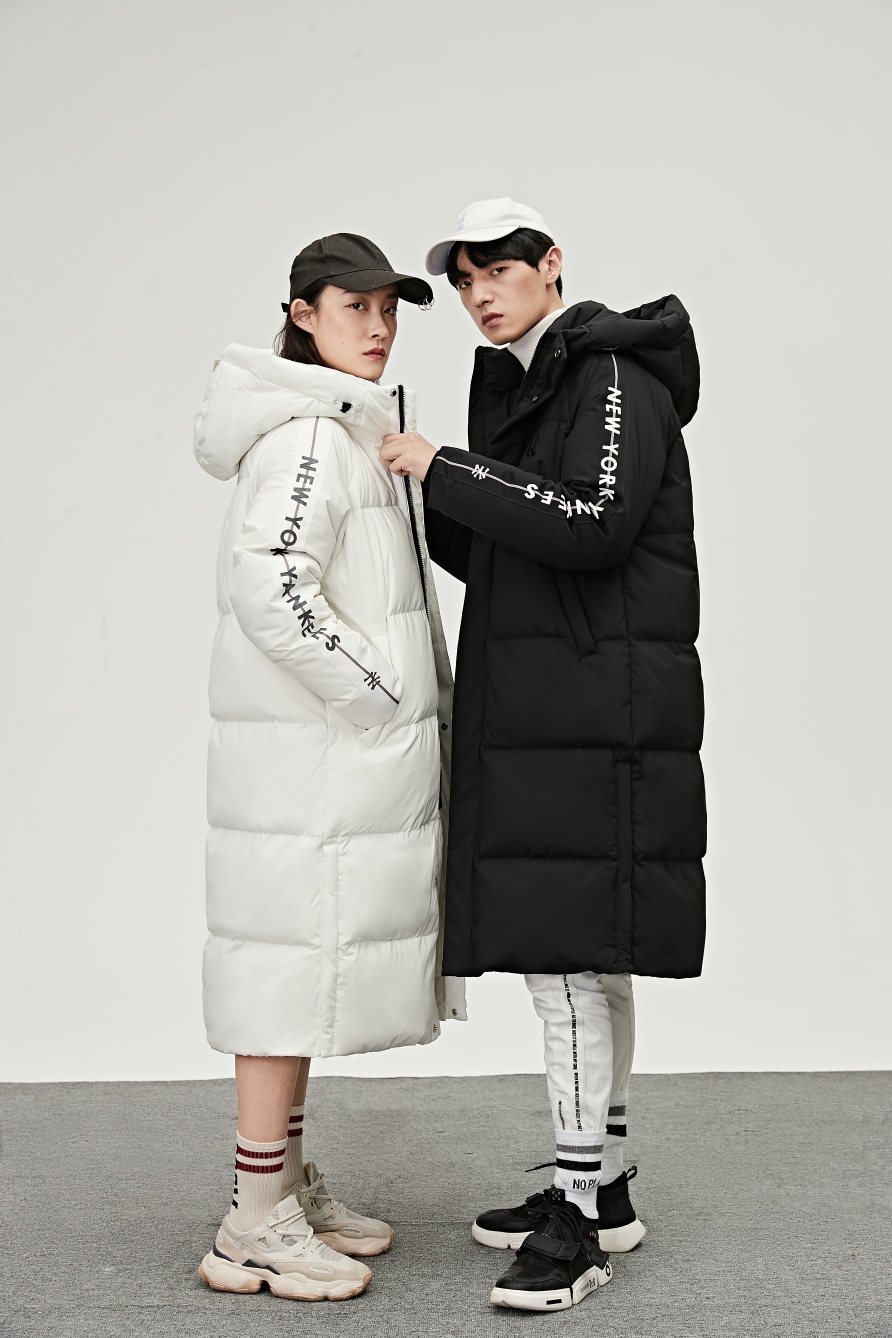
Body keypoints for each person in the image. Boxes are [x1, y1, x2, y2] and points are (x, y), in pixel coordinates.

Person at [381, 198, 705, 1312]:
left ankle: (574, 1225)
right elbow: (503, 550)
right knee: (588, 963)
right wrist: (435, 485)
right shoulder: (528, 383)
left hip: (594, 710)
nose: (481, 293)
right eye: (466, 278)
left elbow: (593, 523)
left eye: (500, 270)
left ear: (551, 264)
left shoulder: (609, 374)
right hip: (553, 703)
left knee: (564, 966)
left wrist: (449, 467)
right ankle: (601, 1189)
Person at [193, 232, 463, 1302]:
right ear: (302, 315)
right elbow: (270, 582)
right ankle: (252, 1221)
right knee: (281, 978)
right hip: (307, 771)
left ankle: (281, 1187)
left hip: (315, 771)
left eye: (388, 309)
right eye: (355, 308)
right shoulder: (310, 435)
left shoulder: (344, 428)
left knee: (299, 974)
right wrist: (381, 693)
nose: (379, 327)